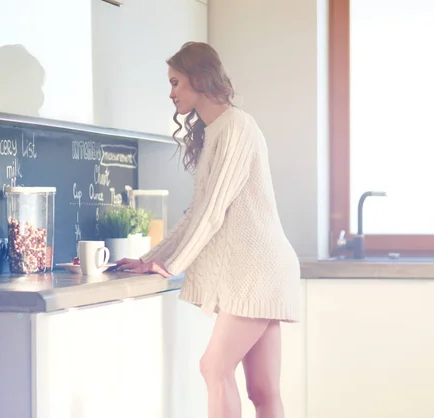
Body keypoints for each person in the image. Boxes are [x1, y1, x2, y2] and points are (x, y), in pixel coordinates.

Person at [115, 41, 301, 418]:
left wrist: (170, 265)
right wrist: (152, 258)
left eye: (175, 83)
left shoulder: (236, 126)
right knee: (264, 391)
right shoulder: (216, 130)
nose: (171, 93)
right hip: (254, 270)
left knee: (214, 368)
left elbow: (212, 211)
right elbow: (199, 212)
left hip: (258, 270)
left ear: (198, 79)